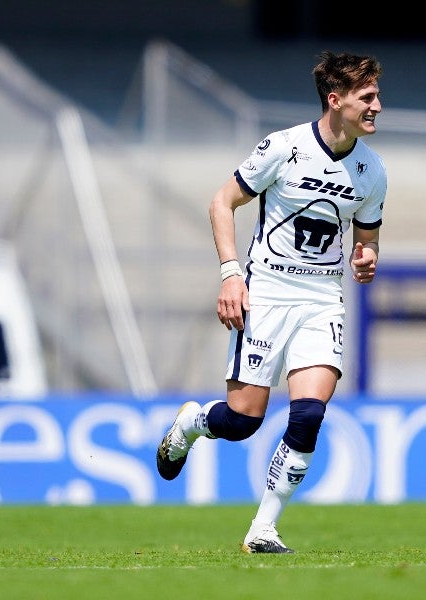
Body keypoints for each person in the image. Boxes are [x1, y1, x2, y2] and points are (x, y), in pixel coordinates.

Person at [156, 50, 386, 554]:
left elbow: (366, 239)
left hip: (323, 301)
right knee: (242, 421)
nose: (377, 106)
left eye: (376, 96)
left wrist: (366, 258)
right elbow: (222, 202)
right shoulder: (283, 147)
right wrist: (230, 275)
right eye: (367, 97)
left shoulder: (372, 171)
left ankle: (263, 528)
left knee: (307, 416)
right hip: (268, 294)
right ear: (335, 100)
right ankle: (192, 424)